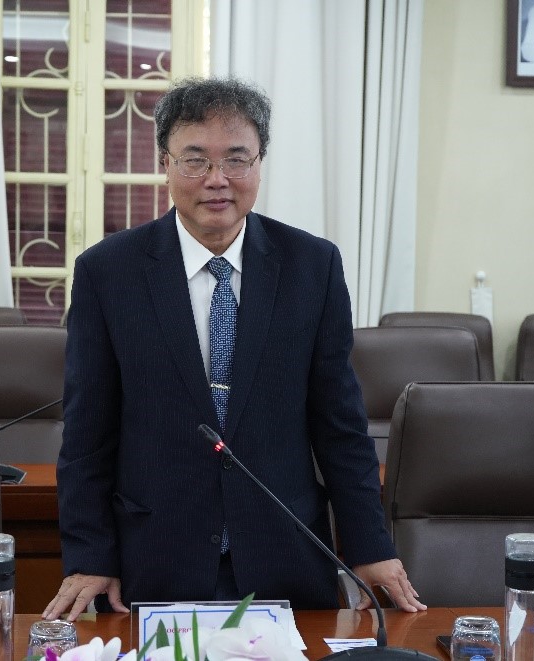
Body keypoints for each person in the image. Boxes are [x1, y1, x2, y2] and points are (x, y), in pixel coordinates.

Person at [43, 76, 425, 622]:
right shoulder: (108, 272)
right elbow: (87, 435)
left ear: (260, 163)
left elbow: (340, 425)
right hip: (153, 557)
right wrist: (89, 555)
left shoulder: (311, 267)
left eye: (237, 159)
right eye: (195, 159)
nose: (217, 179)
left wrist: (370, 545)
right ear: (165, 163)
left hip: (286, 555)